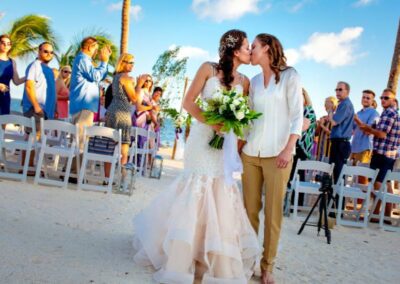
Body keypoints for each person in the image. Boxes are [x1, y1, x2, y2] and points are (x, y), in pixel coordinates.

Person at [132, 29, 259, 283]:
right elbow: (188, 103)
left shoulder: (245, 82)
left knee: (221, 192)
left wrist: (233, 131)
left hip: (224, 145)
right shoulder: (207, 69)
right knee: (197, 189)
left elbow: (243, 116)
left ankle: (208, 255)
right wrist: (212, 122)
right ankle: (182, 255)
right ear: (235, 50)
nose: (250, 51)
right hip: (202, 139)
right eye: (247, 47)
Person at [241, 33, 303, 284]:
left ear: (266, 48)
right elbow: (248, 119)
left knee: (273, 213)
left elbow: (298, 116)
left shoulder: (290, 75)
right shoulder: (254, 82)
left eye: (253, 47)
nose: (250, 51)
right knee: (249, 212)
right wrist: (238, 146)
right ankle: (248, 262)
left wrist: (288, 148)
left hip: (278, 154)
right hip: (250, 154)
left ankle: (268, 266)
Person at [68, 36, 111, 182]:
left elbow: (98, 76)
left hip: (83, 104)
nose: (97, 52)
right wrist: (104, 61)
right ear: (89, 47)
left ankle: (73, 172)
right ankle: (75, 174)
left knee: (80, 138)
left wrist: (103, 64)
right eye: (95, 48)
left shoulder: (83, 60)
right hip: (84, 104)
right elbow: (96, 76)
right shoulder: (83, 59)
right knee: (81, 139)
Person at [355, 88, 400, 223]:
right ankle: (382, 215)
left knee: (378, 184)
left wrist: (368, 128)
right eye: (382, 97)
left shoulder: (389, 113)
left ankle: (380, 215)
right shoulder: (389, 113)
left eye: (386, 98)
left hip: (383, 154)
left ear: (393, 100)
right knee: (384, 184)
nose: (383, 100)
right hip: (387, 154)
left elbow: (381, 134)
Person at [104, 53, 144, 179]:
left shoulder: (116, 77)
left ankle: (107, 179)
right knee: (124, 149)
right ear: (123, 62)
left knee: (109, 146)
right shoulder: (125, 77)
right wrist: (139, 85)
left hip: (111, 111)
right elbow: (133, 99)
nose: (132, 65)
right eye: (130, 62)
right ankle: (123, 178)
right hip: (122, 113)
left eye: (133, 63)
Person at [21, 41, 56, 171]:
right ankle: (26, 168)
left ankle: (29, 167)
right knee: (31, 138)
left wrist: (54, 108)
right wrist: (36, 106)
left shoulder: (48, 69)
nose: (48, 54)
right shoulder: (35, 65)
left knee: (35, 138)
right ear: (39, 51)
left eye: (51, 52)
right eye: (45, 51)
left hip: (45, 111)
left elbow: (50, 91)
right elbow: (29, 86)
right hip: (35, 109)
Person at [288, 88, 316, 207]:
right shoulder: (297, 111)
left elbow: (301, 128)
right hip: (296, 147)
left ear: (305, 97)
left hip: (301, 148)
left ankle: (296, 205)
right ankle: (291, 204)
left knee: (297, 177)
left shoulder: (308, 111)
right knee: (292, 176)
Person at [326, 81, 354, 183]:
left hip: (340, 144)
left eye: (340, 89)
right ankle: (336, 198)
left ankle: (338, 199)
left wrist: (329, 110)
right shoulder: (343, 104)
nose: (337, 92)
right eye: (336, 89)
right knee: (336, 176)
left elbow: (333, 122)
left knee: (337, 177)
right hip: (340, 143)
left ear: (347, 91)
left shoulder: (345, 104)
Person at [350, 90, 379, 182]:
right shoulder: (358, 113)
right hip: (354, 148)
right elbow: (352, 130)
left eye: (368, 98)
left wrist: (357, 120)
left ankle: (363, 197)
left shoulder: (374, 113)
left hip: (364, 149)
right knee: (354, 177)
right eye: (363, 97)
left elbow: (368, 131)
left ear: (372, 101)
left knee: (362, 178)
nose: (365, 99)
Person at [0, 34, 25, 116]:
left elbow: (17, 81)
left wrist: (30, 76)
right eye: (3, 42)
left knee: (3, 124)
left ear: (10, 46)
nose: (5, 45)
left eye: (8, 43)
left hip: (5, 97)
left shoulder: (12, 62)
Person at [315, 96, 338, 161]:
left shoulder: (336, 118)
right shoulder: (323, 117)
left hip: (329, 151)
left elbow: (333, 134)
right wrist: (319, 125)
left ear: (333, 103)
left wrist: (322, 125)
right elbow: (316, 134)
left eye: (327, 102)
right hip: (319, 150)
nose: (325, 104)